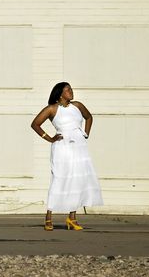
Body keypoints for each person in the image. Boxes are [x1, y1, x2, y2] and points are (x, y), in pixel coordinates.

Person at [31, 82, 103, 231]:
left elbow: (89, 117)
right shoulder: (52, 109)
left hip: (79, 146)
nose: (71, 91)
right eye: (68, 90)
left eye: (71, 89)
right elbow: (35, 124)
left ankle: (72, 218)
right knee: (59, 178)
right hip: (62, 147)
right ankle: (49, 217)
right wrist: (50, 138)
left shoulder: (77, 105)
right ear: (60, 93)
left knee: (76, 179)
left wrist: (86, 134)